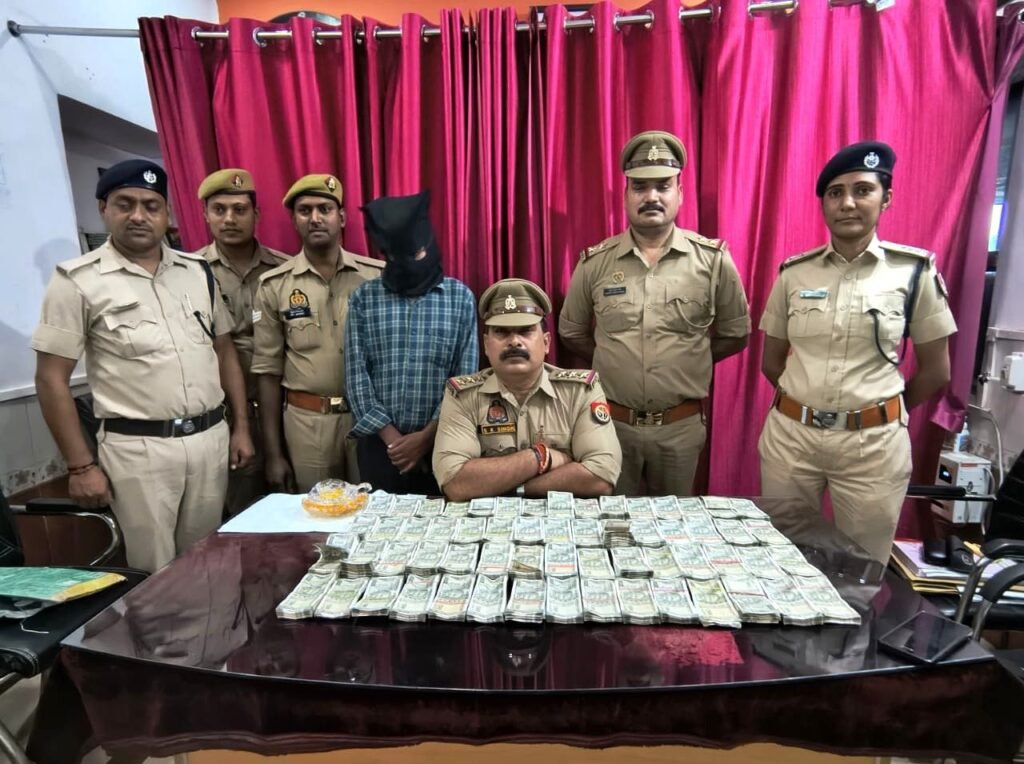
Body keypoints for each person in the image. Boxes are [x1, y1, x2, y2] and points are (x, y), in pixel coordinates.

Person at [31, 159, 254, 572]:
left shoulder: (197, 273)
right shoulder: (77, 281)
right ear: (104, 209)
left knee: (206, 563)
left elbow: (224, 351)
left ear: (167, 213)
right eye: (125, 204)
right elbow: (50, 379)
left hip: (209, 441)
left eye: (151, 206)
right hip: (139, 451)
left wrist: (240, 426)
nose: (138, 215)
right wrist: (81, 466)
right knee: (154, 573)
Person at [758, 141, 957, 564]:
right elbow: (771, 361)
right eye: (835, 193)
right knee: (784, 563)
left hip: (873, 448)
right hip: (792, 440)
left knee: (862, 570)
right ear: (824, 204)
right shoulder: (795, 274)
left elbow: (936, 371)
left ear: (886, 198)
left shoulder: (913, 272)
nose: (847, 203)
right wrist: (808, 403)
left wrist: (876, 410)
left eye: (862, 190)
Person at [559, 130, 751, 496]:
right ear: (625, 195)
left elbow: (736, 334)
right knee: (610, 521)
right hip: (611, 425)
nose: (651, 197)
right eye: (640, 187)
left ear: (680, 193)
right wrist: (616, 359)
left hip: (680, 427)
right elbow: (572, 333)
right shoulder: (595, 263)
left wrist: (687, 359)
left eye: (663, 186)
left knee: (675, 523)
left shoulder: (712, 261)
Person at [251, 174, 383, 493]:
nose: (315, 218)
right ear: (293, 220)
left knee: (371, 509)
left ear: (342, 217)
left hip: (368, 419)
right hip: (307, 424)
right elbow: (268, 371)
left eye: (325, 209)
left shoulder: (376, 278)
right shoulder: (274, 285)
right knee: (316, 513)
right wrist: (273, 454)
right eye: (305, 210)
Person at [433, 278, 622, 500]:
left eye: (525, 331)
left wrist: (513, 488)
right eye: (502, 332)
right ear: (486, 345)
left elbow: (600, 476)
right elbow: (455, 483)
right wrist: (540, 457)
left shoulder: (581, 391)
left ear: (546, 342)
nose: (514, 341)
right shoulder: (462, 395)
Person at [344, 191, 478, 495]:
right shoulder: (364, 299)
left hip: (443, 443)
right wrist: (393, 441)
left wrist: (426, 437)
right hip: (380, 447)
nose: (407, 263)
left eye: (415, 254)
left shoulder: (459, 299)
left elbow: (464, 380)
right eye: (396, 257)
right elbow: (356, 375)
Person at [196, 168, 287, 515]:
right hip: (225, 418)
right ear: (205, 215)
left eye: (240, 209)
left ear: (257, 214)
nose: (230, 219)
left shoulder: (283, 270)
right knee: (239, 513)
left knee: (294, 507)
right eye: (219, 210)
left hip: (284, 411)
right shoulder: (192, 272)